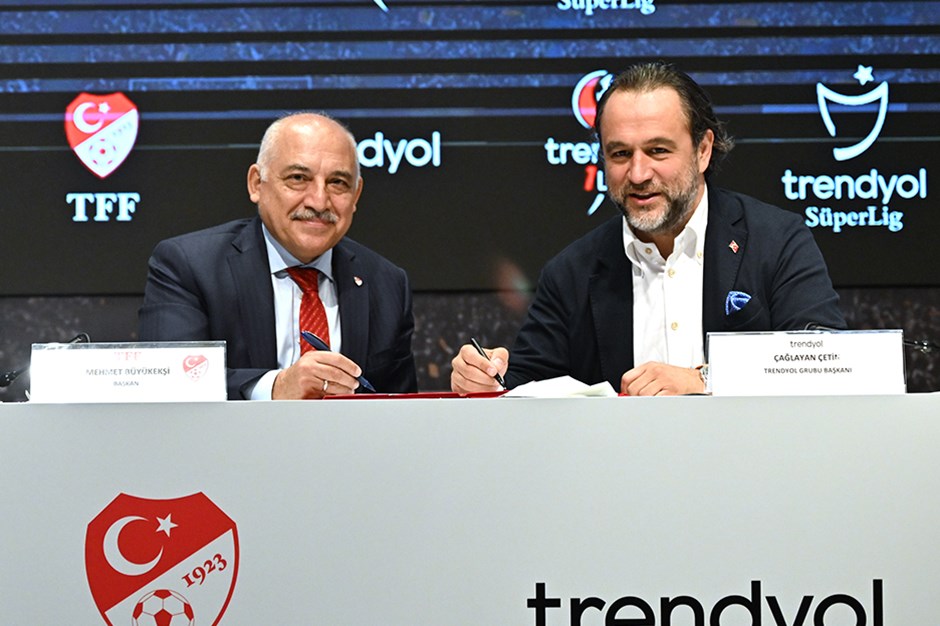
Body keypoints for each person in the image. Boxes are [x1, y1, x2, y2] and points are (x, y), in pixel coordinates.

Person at [451, 62, 845, 396]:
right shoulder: (571, 273)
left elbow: (826, 360)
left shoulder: (777, 240)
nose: (638, 174)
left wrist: (704, 379)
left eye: (658, 150)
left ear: (703, 150)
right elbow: (525, 388)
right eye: (620, 154)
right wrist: (487, 380)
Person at [140, 112, 417, 399]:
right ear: (256, 184)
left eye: (337, 183)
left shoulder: (387, 283)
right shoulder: (190, 266)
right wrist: (276, 387)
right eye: (298, 178)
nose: (319, 201)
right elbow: (168, 383)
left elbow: (402, 410)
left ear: (356, 195)